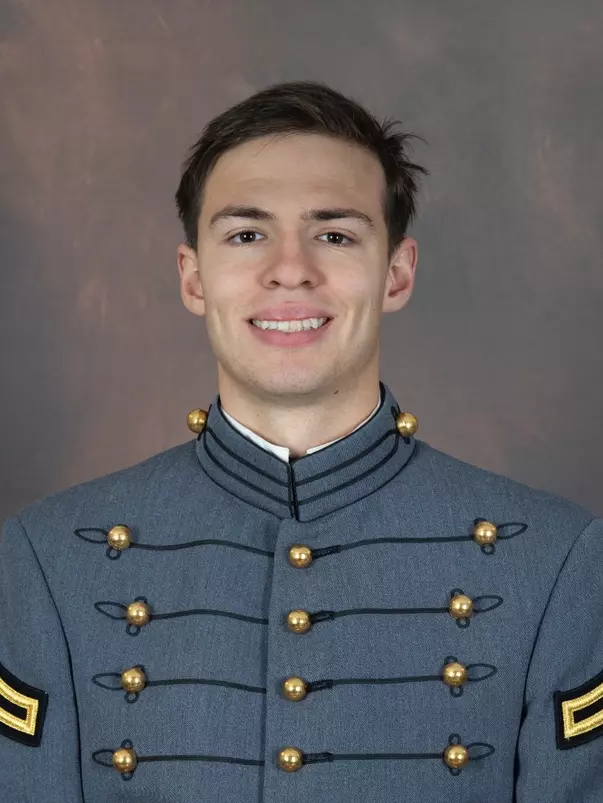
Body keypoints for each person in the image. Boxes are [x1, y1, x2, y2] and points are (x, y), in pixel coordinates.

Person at [0, 79, 601, 803]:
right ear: (193, 277)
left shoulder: (558, 562)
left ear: (397, 273)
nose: (290, 268)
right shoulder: (47, 559)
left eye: (335, 234)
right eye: (246, 233)